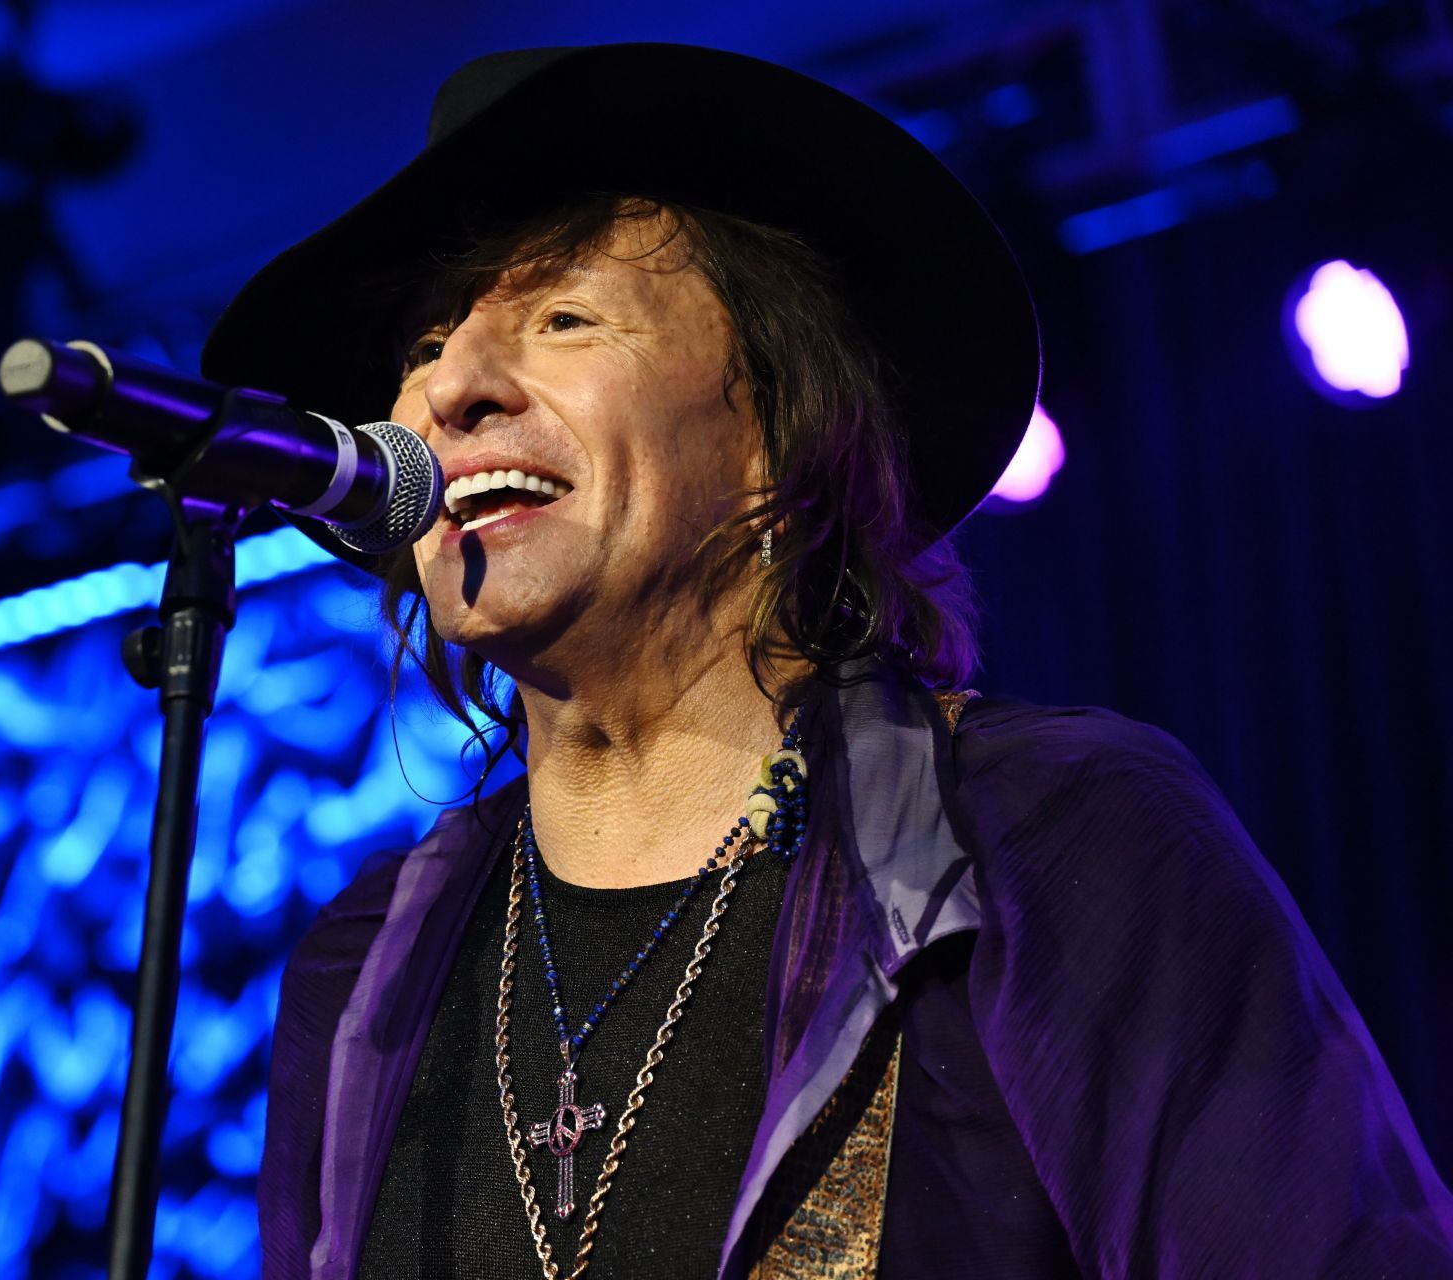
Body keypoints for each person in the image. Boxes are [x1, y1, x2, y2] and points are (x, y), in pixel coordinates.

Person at [200, 44, 1453, 1279]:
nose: (451, 388)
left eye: (565, 316)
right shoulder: (368, 966)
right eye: (420, 350)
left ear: (778, 426)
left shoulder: (1049, 837)